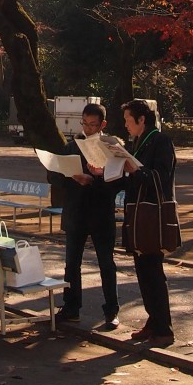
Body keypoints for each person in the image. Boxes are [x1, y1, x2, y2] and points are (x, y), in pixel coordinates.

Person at [56, 103, 121, 329]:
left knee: (106, 264)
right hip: (76, 212)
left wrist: (95, 180)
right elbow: (55, 176)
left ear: (103, 124)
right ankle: (71, 307)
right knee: (71, 264)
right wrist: (73, 177)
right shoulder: (71, 146)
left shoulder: (111, 147)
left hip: (101, 214)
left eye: (94, 124)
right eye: (85, 123)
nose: (89, 128)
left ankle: (111, 311)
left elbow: (118, 183)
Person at [121, 98, 177, 348]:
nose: (126, 125)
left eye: (128, 120)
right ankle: (153, 321)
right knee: (142, 270)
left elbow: (162, 178)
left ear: (142, 119)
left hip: (153, 215)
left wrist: (136, 171)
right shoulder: (138, 142)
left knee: (153, 271)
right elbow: (134, 177)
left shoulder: (161, 140)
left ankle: (164, 327)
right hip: (137, 212)